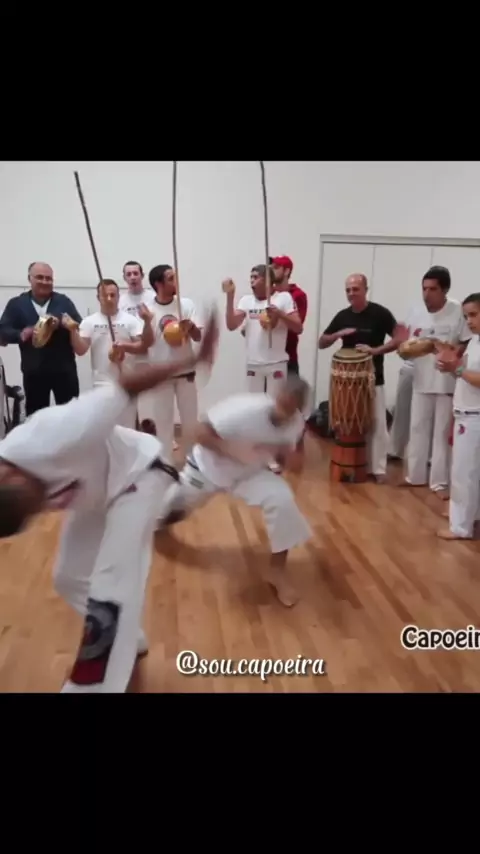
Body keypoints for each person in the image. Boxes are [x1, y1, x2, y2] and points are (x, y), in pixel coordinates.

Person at [0, 311, 219, 693]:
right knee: (68, 577)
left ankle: (92, 686)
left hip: (139, 473)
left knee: (112, 585)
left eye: (37, 498)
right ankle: (129, 638)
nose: (43, 506)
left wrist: (192, 359)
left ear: (13, 476)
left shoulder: (59, 431)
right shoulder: (13, 482)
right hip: (95, 491)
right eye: (36, 510)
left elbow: (127, 385)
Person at [156, 375, 312, 608]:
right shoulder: (246, 409)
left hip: (249, 474)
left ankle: (277, 571)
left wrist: (287, 457)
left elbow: (294, 462)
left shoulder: (296, 425)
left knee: (282, 499)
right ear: (276, 397)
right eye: (282, 403)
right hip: (208, 469)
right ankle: (151, 522)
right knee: (170, 512)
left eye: (290, 408)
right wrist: (228, 449)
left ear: (299, 408)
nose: (283, 413)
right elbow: (199, 431)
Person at [318, 273, 401, 482]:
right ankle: (352, 464)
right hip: (347, 383)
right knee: (349, 425)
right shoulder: (342, 316)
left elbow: (399, 338)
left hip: (374, 377)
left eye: (355, 289)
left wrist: (375, 350)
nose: (351, 293)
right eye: (348, 290)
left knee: (378, 424)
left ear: (365, 289)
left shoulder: (380, 313)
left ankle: (378, 469)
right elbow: (322, 342)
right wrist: (338, 334)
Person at [400, 267, 470, 496]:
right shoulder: (416, 311)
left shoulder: (457, 310)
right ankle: (415, 476)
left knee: (441, 432)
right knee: (417, 427)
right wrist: (407, 348)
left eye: (432, 289)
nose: (427, 294)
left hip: (446, 380)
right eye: (424, 289)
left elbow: (466, 341)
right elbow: (406, 342)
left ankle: (439, 482)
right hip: (421, 378)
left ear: (445, 290)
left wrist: (449, 352)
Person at [69, 279, 154, 429]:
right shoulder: (89, 322)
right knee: (105, 428)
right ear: (98, 297)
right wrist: (72, 331)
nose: (109, 299)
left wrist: (126, 346)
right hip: (101, 383)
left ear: (118, 296)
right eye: (104, 295)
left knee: (127, 428)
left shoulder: (131, 320)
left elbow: (143, 347)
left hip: (126, 382)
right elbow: (81, 350)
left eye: (113, 295)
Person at [0, 262, 82, 416]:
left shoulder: (63, 301)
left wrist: (61, 323)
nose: (45, 282)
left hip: (64, 371)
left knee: (71, 415)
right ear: (29, 279)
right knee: (36, 416)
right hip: (34, 372)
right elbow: (3, 330)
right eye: (40, 277)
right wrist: (21, 334)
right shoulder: (17, 304)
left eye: (48, 278)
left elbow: (79, 324)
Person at [143, 264, 203, 460]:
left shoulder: (186, 305)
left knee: (190, 422)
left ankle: (193, 462)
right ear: (158, 284)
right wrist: (146, 321)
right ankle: (166, 464)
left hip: (186, 373)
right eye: (170, 278)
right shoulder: (147, 309)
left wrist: (191, 327)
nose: (176, 281)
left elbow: (198, 337)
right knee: (163, 423)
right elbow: (144, 343)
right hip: (161, 374)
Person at [435, 293, 480, 539]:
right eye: (466, 316)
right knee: (471, 473)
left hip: (475, 417)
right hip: (467, 412)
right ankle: (469, 516)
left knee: (464, 473)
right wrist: (450, 366)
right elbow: (464, 373)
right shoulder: (474, 341)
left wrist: (457, 368)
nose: (469, 321)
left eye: (474, 315)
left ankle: (460, 527)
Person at [271, 255, 308, 376]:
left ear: (286, 271)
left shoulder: (297, 295)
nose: (272, 270)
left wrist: (279, 313)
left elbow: (297, 327)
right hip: (267, 358)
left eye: (276, 267)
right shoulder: (268, 294)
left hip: (287, 357)